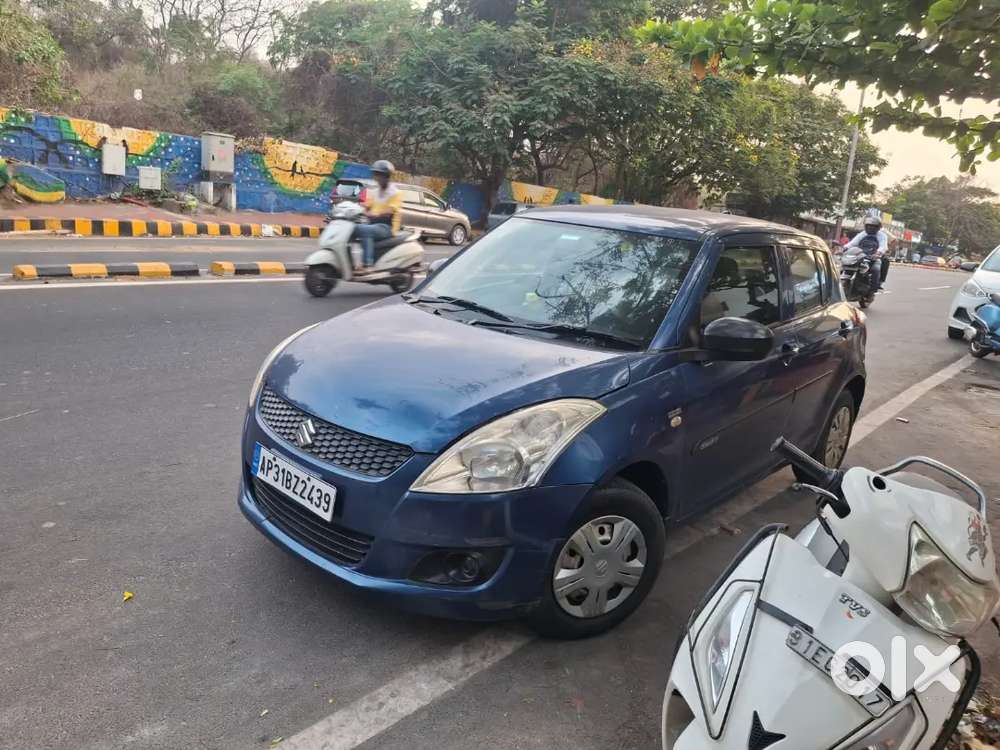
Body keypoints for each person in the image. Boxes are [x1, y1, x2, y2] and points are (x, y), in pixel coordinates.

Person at [354, 160, 402, 272]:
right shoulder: (375, 191)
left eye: (379, 175)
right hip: (374, 224)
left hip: (388, 227)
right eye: (375, 174)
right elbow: (366, 206)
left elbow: (390, 211)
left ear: (387, 176)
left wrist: (374, 214)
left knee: (364, 230)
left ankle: (368, 264)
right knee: (352, 228)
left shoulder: (395, 193)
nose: (376, 178)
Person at [845, 216, 888, 291]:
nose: (870, 228)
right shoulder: (862, 234)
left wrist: (878, 253)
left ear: (878, 227)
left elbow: (883, 246)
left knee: (876, 269)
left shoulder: (882, 235)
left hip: (873, 256)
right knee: (845, 265)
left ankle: (874, 288)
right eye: (868, 226)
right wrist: (844, 248)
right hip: (859, 256)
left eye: (873, 226)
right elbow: (852, 243)